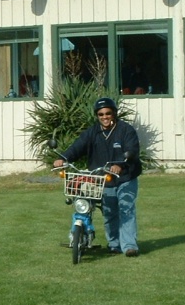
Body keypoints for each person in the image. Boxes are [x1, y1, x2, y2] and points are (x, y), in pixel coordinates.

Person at [52, 97, 142, 257]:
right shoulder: (92, 132)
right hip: (103, 179)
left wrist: (120, 164)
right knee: (109, 212)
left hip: (125, 177)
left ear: (114, 113)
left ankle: (129, 246)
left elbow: (132, 149)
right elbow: (77, 147)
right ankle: (114, 244)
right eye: (101, 114)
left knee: (125, 208)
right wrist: (64, 158)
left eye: (108, 113)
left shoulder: (126, 130)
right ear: (97, 116)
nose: (105, 117)